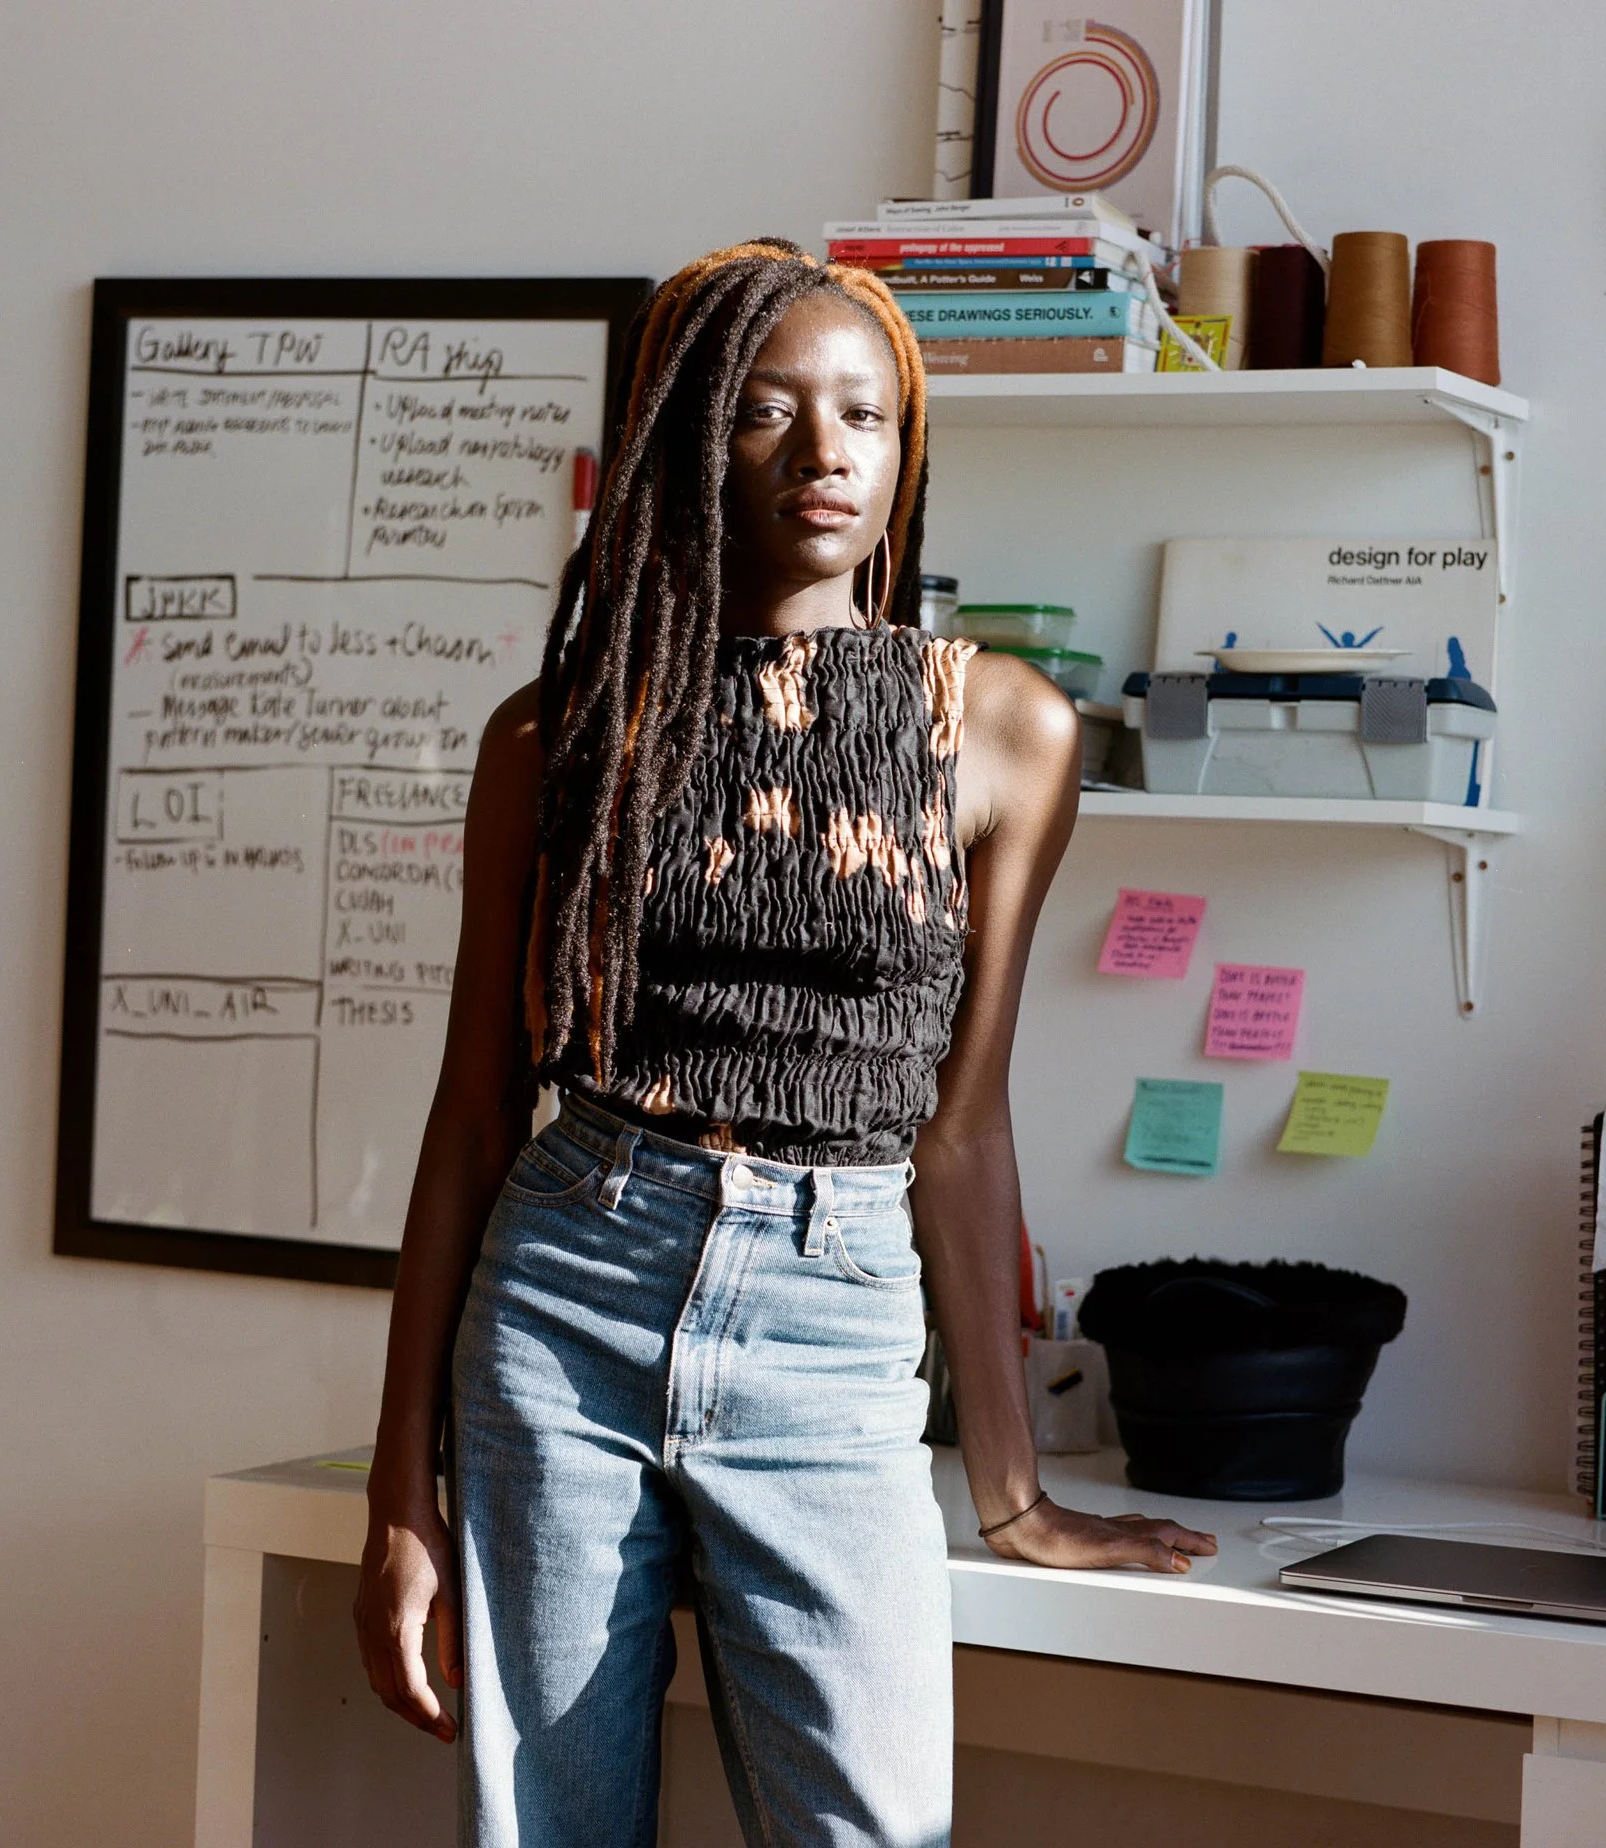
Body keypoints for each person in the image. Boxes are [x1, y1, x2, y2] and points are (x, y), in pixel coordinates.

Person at [354, 240, 1217, 1848]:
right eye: (767, 410)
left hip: (836, 1319)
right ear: (687, 440)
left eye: (865, 415)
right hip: (567, 1293)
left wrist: (1015, 1491)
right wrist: (400, 1490)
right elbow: (472, 1114)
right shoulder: (557, 735)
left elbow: (965, 1125)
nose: (826, 452)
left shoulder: (1006, 732)